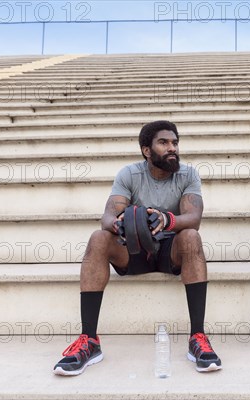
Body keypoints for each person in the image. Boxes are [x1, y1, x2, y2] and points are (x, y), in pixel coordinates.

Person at [53, 120, 222, 375]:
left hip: (170, 250)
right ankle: (89, 340)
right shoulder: (129, 174)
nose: (172, 148)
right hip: (134, 250)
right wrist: (120, 223)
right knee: (98, 237)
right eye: (163, 143)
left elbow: (194, 218)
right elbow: (107, 217)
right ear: (146, 150)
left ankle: (197, 337)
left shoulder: (188, 174)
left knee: (191, 237)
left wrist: (167, 219)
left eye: (174, 142)